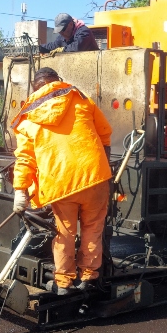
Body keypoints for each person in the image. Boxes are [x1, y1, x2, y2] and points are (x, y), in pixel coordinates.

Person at [12, 67, 112, 295]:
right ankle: (88, 278)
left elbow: (25, 158)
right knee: (93, 229)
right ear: (58, 82)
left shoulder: (28, 118)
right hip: (95, 176)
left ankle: (64, 283)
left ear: (36, 88)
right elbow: (105, 131)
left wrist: (20, 189)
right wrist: (101, 159)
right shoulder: (81, 99)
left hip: (61, 182)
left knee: (65, 231)